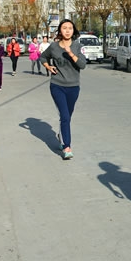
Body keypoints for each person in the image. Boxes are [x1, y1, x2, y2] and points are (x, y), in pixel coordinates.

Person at [39, 19, 87, 160]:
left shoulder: (78, 46)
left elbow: (83, 65)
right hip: (57, 85)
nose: (67, 30)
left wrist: (71, 53)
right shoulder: (54, 46)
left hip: (73, 87)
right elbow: (43, 57)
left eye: (70, 28)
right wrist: (48, 67)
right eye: (64, 28)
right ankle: (67, 147)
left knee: (67, 116)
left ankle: (61, 135)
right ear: (60, 30)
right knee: (65, 116)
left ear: (73, 31)